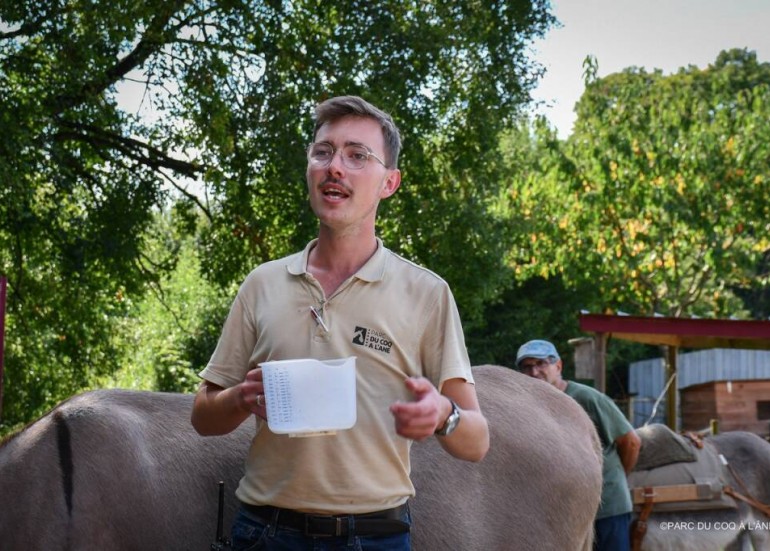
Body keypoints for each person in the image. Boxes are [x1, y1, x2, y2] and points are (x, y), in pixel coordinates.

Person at [191, 95, 490, 551]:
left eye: (357, 156)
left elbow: (477, 441)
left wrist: (443, 415)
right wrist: (240, 397)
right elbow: (203, 417)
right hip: (264, 534)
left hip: (375, 537)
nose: (335, 167)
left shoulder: (427, 294)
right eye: (323, 152)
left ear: (389, 183)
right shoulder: (262, 284)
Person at [516, 339, 641, 551]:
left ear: (558, 366)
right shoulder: (526, 407)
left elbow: (630, 441)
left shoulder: (586, 398)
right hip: (564, 510)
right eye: (527, 367)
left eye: (541, 364)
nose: (534, 372)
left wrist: (614, 476)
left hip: (606, 507)